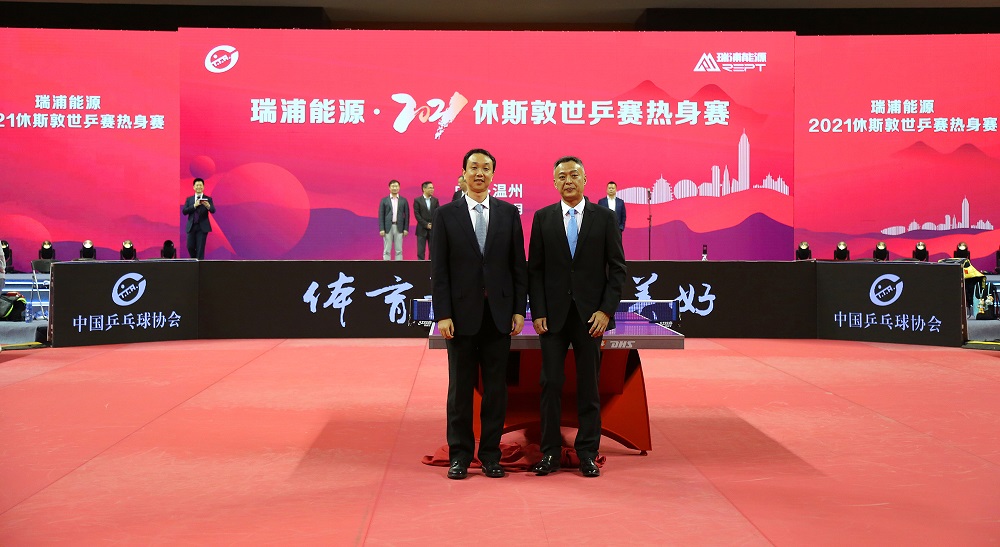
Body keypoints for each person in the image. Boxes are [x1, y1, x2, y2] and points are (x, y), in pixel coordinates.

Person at [431, 148, 528, 480]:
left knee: (496, 391)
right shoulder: (446, 215)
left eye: (486, 168)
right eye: (474, 167)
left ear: (493, 175)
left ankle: (490, 455)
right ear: (463, 173)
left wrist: (519, 309)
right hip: (459, 317)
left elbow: (518, 266)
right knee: (460, 390)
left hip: (499, 316)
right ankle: (459, 455)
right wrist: (443, 314)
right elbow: (439, 270)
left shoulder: (508, 213)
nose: (479, 173)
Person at [527, 156, 626, 478]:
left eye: (574, 175)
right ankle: (550, 452)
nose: (568, 181)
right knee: (550, 383)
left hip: (591, 318)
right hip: (552, 318)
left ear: (585, 180)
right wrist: (538, 311)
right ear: (554, 182)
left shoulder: (605, 218)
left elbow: (617, 269)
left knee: (589, 387)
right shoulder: (543, 218)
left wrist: (605, 311)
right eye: (562, 176)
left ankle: (587, 453)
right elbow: (535, 270)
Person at [182, 178, 215, 259]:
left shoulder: (208, 199)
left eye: (200, 185)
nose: (199, 187)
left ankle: (199, 264)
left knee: (200, 249)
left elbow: (213, 210)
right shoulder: (189, 199)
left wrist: (208, 206)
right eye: (197, 185)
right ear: (194, 187)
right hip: (191, 226)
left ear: (203, 187)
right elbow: (184, 211)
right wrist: (194, 206)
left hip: (202, 227)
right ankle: (194, 261)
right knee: (189, 246)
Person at [378, 180, 409, 260]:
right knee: (387, 249)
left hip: (399, 227)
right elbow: (381, 215)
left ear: (399, 187)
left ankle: (398, 266)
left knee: (399, 250)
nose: (395, 188)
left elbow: (407, 216)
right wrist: (381, 229)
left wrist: (406, 229)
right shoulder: (384, 200)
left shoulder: (403, 200)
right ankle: (386, 265)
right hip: (387, 227)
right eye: (393, 186)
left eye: (396, 186)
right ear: (389, 188)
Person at [412, 181, 439, 261]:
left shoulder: (435, 200)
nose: (432, 189)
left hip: (432, 229)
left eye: (433, 188)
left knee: (433, 251)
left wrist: (433, 224)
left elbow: (438, 213)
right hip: (421, 229)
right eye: (430, 188)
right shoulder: (417, 200)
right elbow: (417, 215)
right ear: (424, 189)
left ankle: (432, 266)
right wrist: (426, 224)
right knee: (420, 251)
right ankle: (420, 267)